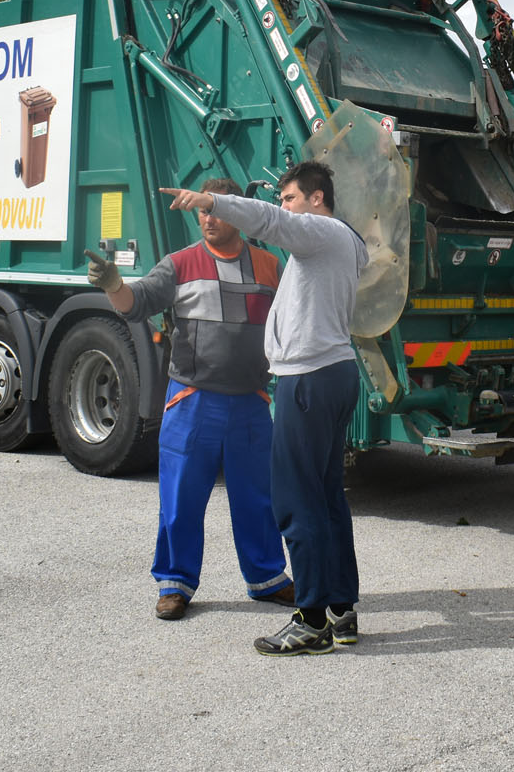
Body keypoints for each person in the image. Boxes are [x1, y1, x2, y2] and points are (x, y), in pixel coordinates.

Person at [160, 160, 368, 657]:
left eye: (290, 197)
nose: (284, 207)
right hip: (332, 373)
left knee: (297, 501)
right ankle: (341, 610)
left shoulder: (321, 232)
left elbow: (271, 224)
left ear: (318, 198)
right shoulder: (347, 242)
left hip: (308, 378)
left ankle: (312, 619)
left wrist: (211, 201)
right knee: (326, 499)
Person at [86, 178, 292, 621]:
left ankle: (268, 578)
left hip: (251, 401)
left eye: (215, 210)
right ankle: (174, 583)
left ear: (237, 212)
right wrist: (112, 283)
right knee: (180, 497)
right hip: (193, 400)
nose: (208, 219)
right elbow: (135, 303)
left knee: (257, 497)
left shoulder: (270, 267)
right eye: (202, 211)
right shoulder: (179, 264)